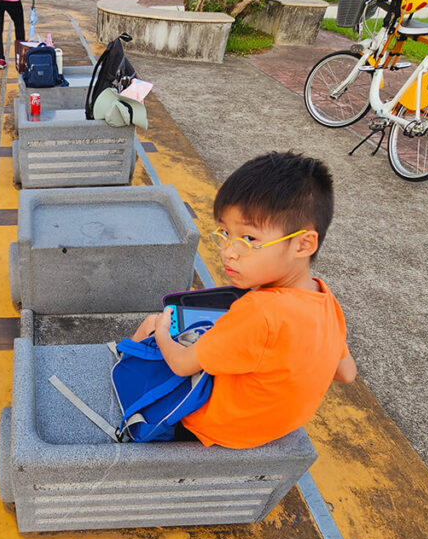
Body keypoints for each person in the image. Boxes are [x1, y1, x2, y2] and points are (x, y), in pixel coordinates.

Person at [131, 152, 358, 449]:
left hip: (214, 429)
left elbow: (183, 365)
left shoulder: (260, 312)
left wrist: (162, 331)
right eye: (225, 233)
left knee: (153, 325)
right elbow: (347, 373)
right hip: (272, 428)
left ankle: (125, 413)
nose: (229, 251)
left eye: (249, 239)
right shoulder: (323, 299)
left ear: (304, 244)